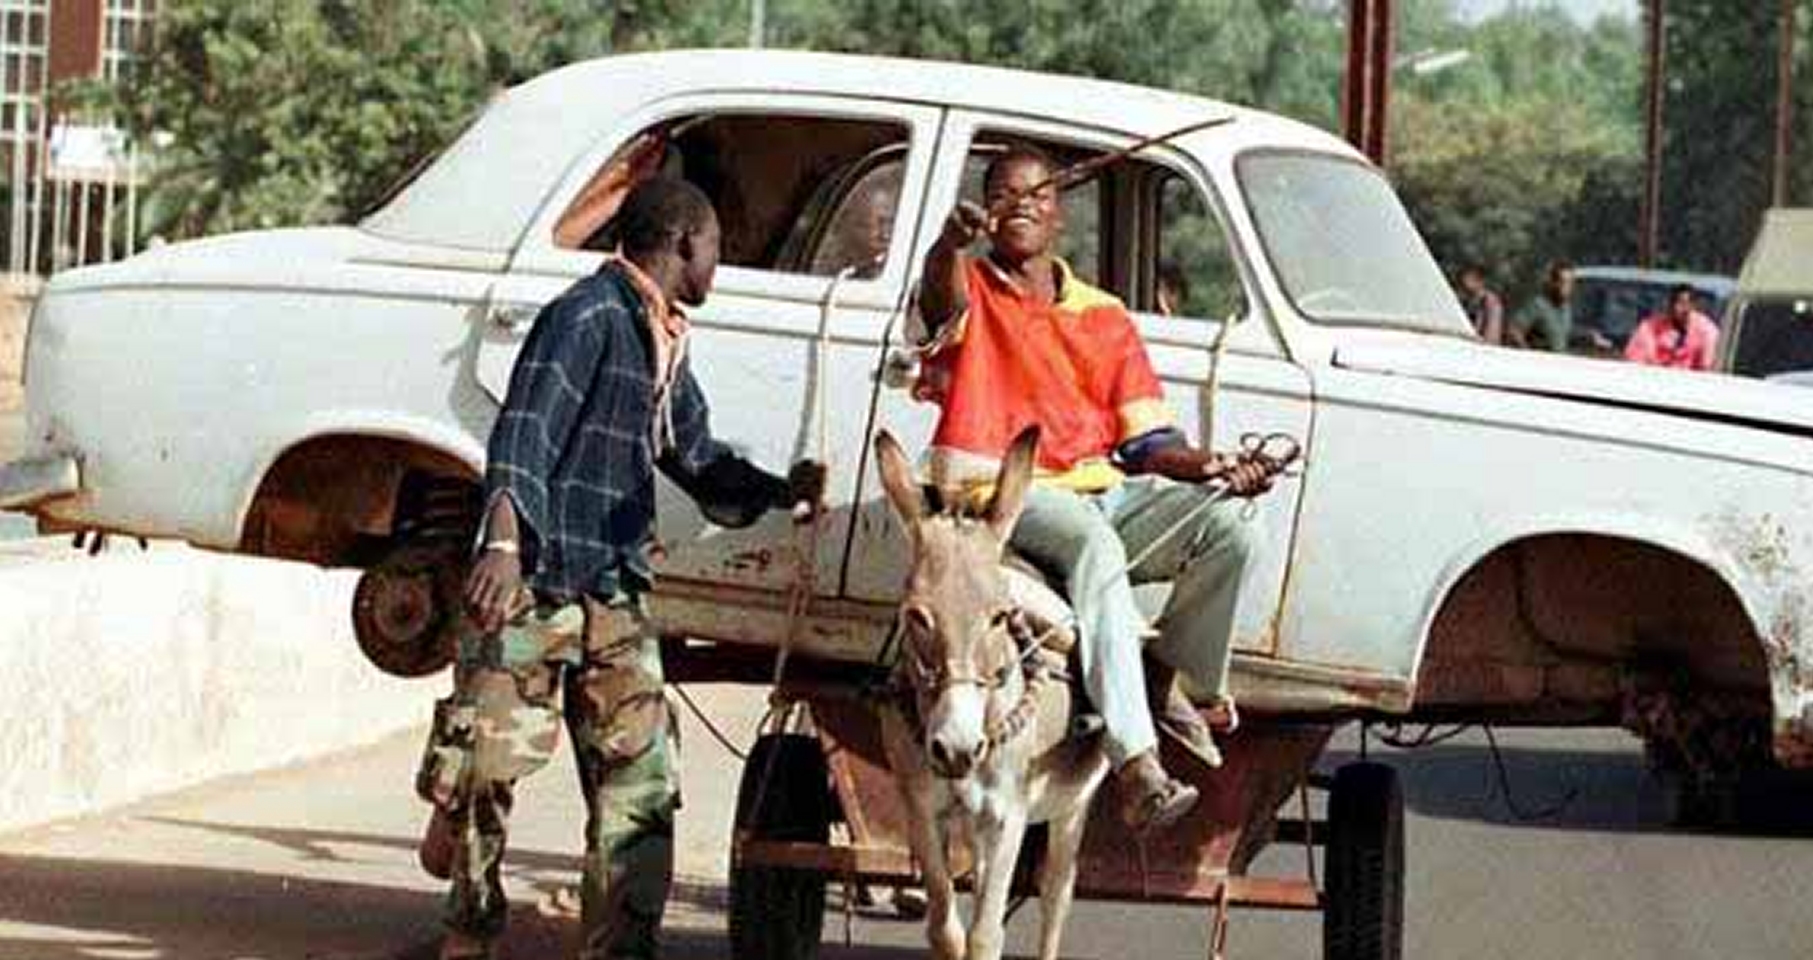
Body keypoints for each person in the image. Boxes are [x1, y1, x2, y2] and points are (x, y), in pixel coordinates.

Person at [415, 178, 825, 960]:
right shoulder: (585, 317)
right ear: (684, 244)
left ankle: (619, 948)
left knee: (639, 789)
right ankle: (468, 929)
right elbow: (524, 432)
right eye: (715, 252)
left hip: (615, 589)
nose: (718, 268)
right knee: (483, 771)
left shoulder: (662, 333)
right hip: (535, 580)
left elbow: (695, 455)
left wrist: (783, 493)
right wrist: (502, 546)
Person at [913, 144, 1287, 832]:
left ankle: (1166, 681)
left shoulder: (1104, 314)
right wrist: (946, 244)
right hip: (1001, 491)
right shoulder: (969, 285)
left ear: (1059, 215)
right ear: (986, 213)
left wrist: (1214, 468)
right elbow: (936, 303)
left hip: (1100, 489)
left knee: (1234, 528)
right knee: (1094, 545)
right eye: (1003, 194)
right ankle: (1137, 762)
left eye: (1038, 194)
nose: (1021, 203)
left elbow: (1147, 443)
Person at [1624, 284, 1720, 370]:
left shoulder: (1707, 331)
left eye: (1686, 303)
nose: (1680, 309)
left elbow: (1708, 367)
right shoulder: (1650, 326)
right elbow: (1634, 361)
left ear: (1694, 305)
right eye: (1676, 302)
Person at [1508, 261, 1575, 352]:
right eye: (1562, 282)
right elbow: (1514, 330)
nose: (1566, 287)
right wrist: (1528, 355)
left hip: (1559, 362)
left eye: (1570, 283)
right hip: (1540, 362)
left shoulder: (1566, 308)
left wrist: (1589, 337)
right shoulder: (1538, 305)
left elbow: (1564, 336)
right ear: (1553, 282)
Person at [1458, 264, 1505, 344]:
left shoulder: (1490, 302)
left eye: (1470, 279)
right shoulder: (1466, 300)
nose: (1464, 281)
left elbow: (1492, 336)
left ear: (1480, 281)